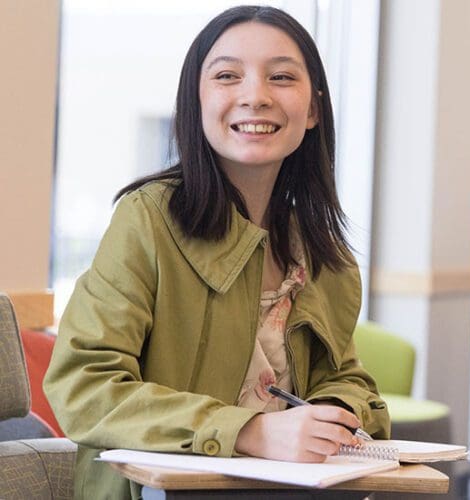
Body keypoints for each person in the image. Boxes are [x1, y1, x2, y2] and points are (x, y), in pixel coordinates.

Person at [44, 5, 390, 499]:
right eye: (228, 75)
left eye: (282, 77)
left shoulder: (321, 250)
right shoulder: (147, 218)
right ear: (197, 101)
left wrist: (333, 413)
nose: (255, 96)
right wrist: (249, 430)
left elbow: (346, 376)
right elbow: (84, 387)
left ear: (313, 109)